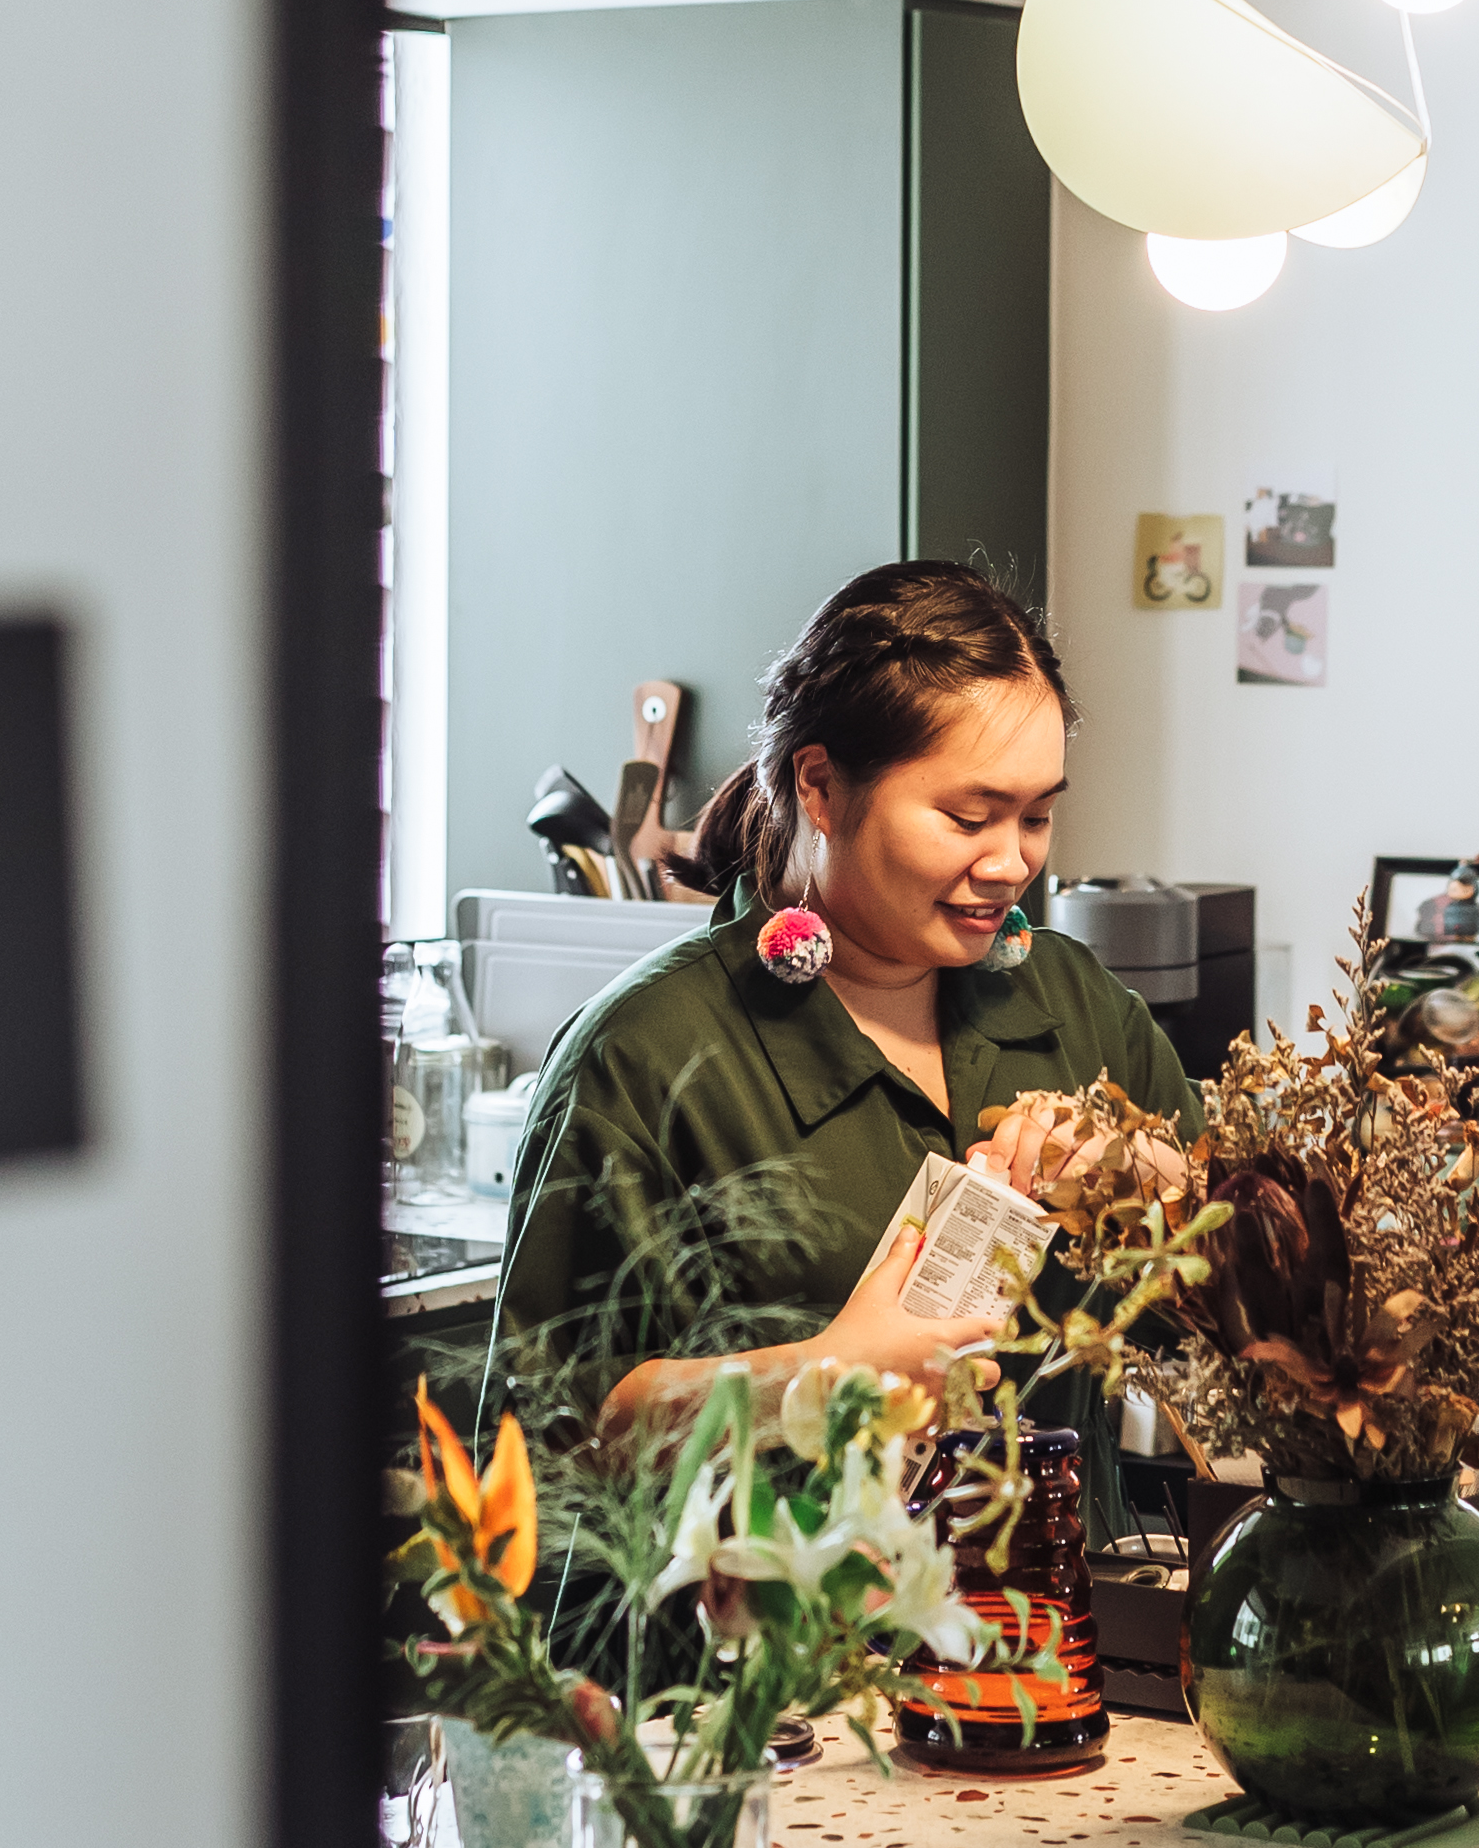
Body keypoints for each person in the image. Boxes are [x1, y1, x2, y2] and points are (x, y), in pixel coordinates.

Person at [488, 558, 1195, 1441]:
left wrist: (1145, 1183)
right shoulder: (646, 1056)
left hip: (1049, 1576)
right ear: (818, 786)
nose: (1011, 861)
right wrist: (814, 1378)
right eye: (969, 818)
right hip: (776, 1581)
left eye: (1036, 816)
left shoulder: (1078, 1004)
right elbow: (544, 1439)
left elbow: (1241, 1306)